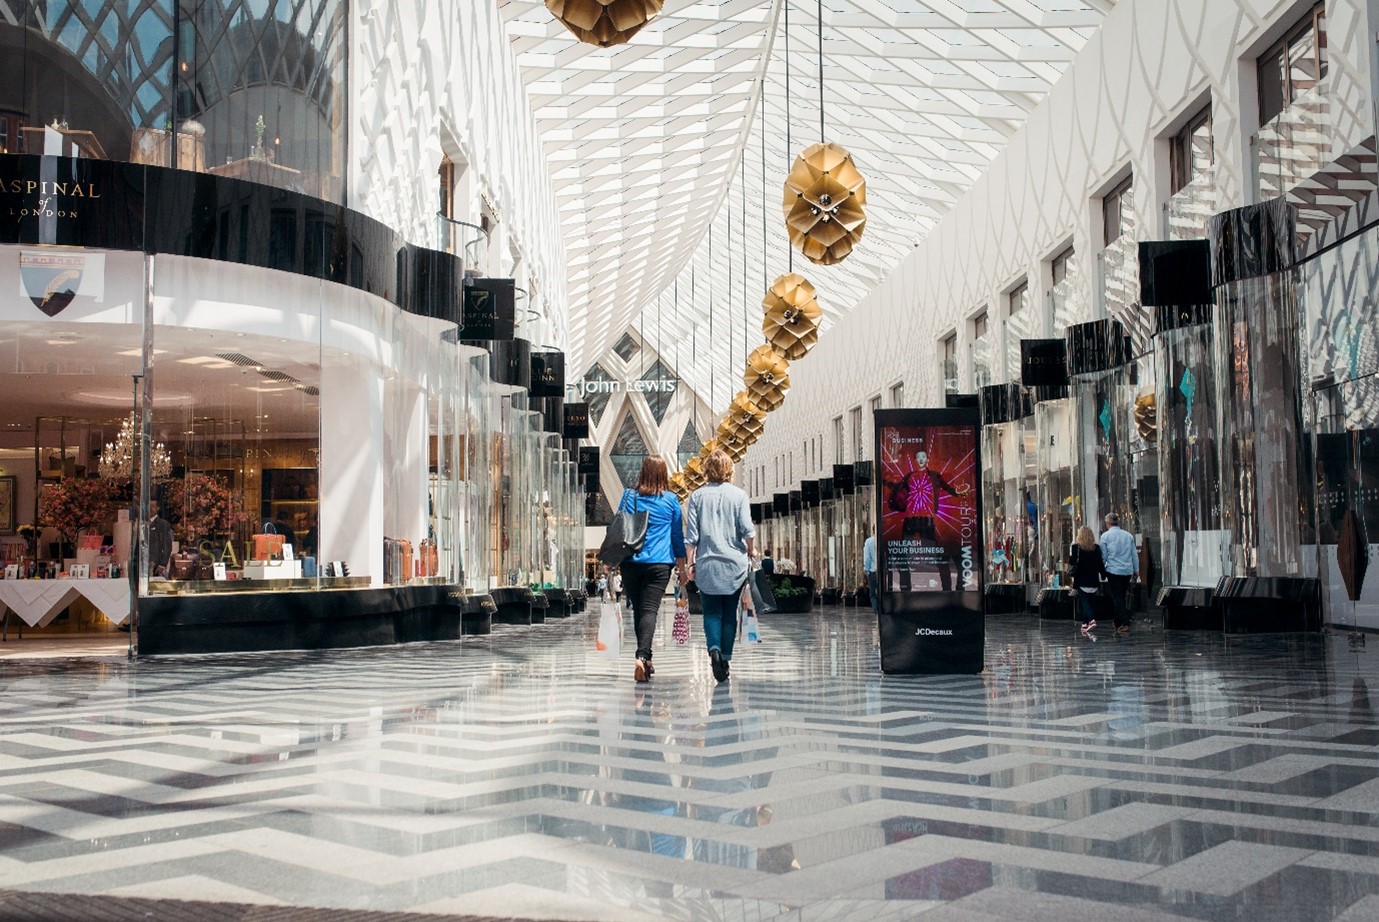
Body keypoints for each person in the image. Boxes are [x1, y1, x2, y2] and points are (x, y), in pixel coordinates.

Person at [684, 449, 755, 684]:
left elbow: (691, 536)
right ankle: (724, 657)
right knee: (729, 613)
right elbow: (748, 530)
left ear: (706, 470)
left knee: (711, 611)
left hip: (707, 564)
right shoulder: (739, 495)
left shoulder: (697, 496)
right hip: (734, 564)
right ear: (729, 470)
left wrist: (690, 564)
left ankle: (713, 649)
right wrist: (751, 550)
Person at [618, 456, 687, 683]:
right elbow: (677, 536)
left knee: (639, 610)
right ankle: (642, 655)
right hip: (659, 564)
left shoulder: (629, 496)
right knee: (649, 611)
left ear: (642, 472)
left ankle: (645, 658)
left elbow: (619, 526)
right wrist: (682, 566)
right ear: (663, 474)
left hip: (630, 563)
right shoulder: (670, 501)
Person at [882, 449, 970, 592]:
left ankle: (946, 589)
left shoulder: (934, 476)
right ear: (916, 460)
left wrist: (958, 492)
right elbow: (897, 488)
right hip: (911, 519)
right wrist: (885, 482)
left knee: (938, 557)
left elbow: (947, 488)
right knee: (903, 554)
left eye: (924, 457)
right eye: (919, 457)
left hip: (927, 519)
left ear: (927, 459)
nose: (921, 459)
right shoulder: (910, 476)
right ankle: (906, 588)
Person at [1099, 512, 1139, 635]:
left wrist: (1102, 570)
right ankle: (1117, 622)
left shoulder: (1105, 537)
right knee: (1120, 596)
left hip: (1113, 570)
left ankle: (1125, 622)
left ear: (1108, 523)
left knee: (1117, 597)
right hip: (1126, 571)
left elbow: (1104, 555)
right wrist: (1136, 570)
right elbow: (1134, 554)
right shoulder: (1128, 536)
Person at [1069, 526, 1106, 635]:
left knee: (1084, 602)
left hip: (1081, 580)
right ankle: (1085, 623)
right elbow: (1100, 564)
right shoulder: (1096, 548)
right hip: (1093, 580)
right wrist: (1103, 575)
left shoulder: (1076, 548)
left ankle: (1091, 620)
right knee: (1089, 602)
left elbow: (1072, 562)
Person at [147, 501, 174, 578]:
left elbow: (167, 546)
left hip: (155, 564)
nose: (150, 509)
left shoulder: (163, 524)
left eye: (152, 506)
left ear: (157, 508)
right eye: (148, 506)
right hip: (143, 564)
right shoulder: (142, 523)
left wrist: (162, 564)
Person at [863, 532, 878, 613]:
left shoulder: (869, 542)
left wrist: (866, 569)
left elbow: (867, 558)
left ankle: (876, 610)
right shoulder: (883, 539)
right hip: (884, 572)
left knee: (873, 593)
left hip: (873, 571)